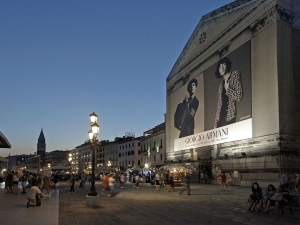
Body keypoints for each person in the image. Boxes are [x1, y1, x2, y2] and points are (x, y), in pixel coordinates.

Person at [214, 57, 243, 128]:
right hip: (220, 119)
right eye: (220, 67)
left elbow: (239, 96)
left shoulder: (235, 75)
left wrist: (228, 89)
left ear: (227, 65)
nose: (222, 67)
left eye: (223, 64)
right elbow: (219, 105)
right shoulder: (220, 86)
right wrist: (215, 123)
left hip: (230, 117)